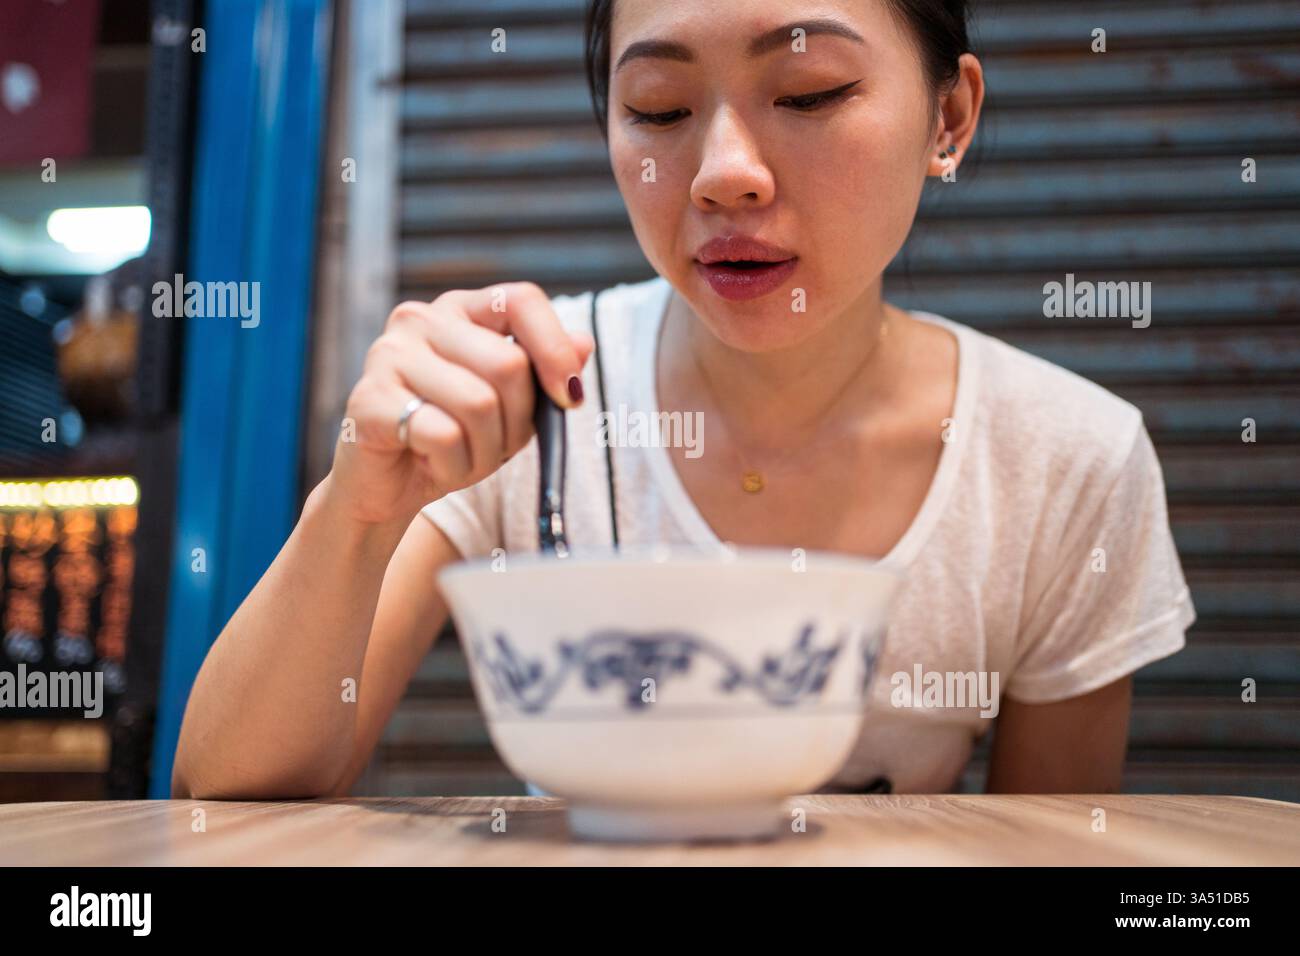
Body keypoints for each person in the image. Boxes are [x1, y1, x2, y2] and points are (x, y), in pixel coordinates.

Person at [171, 0, 1195, 800]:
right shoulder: (527, 390)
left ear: (948, 116)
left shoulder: (1065, 458)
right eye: (659, 109)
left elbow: (1052, 848)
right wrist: (354, 505)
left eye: (807, 91)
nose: (722, 175)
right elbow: (225, 793)